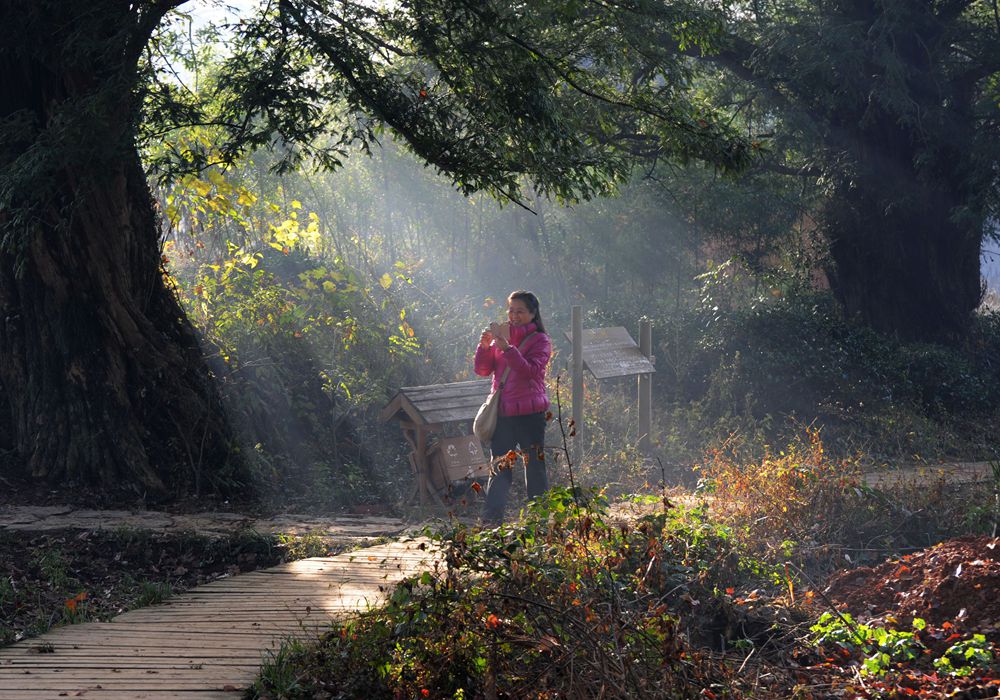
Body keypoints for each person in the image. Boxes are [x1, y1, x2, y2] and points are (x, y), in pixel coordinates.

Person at [474, 290, 553, 523]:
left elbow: (530, 370)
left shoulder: (541, 340)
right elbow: (482, 370)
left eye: (520, 311)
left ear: (532, 314)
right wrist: (486, 347)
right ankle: (491, 521)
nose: (514, 315)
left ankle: (539, 521)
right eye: (511, 310)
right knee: (500, 468)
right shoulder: (501, 337)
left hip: (531, 415)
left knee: (535, 469)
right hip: (503, 415)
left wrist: (508, 349)